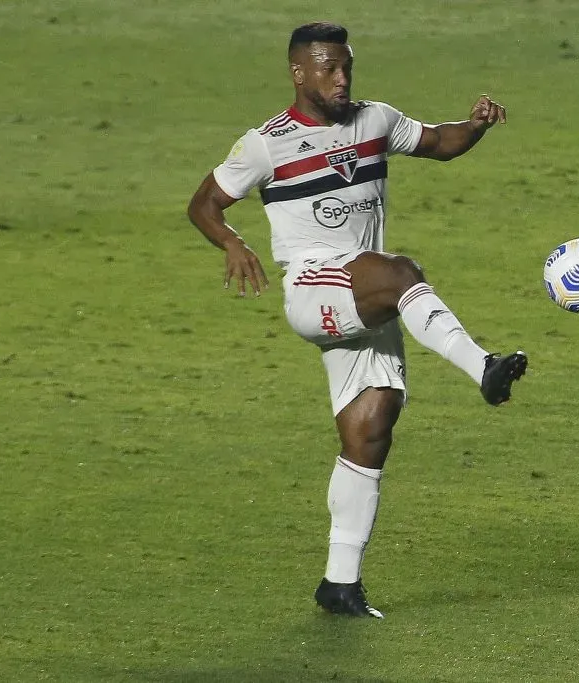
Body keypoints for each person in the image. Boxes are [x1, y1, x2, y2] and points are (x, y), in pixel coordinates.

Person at [186, 22, 527, 619]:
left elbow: (438, 143)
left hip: (362, 294)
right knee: (401, 273)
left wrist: (473, 126)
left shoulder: (374, 120)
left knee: (372, 429)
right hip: (315, 287)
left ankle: (339, 584)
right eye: (328, 69)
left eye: (347, 67)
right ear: (298, 73)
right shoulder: (267, 144)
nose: (342, 79)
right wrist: (233, 243)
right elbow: (204, 204)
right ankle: (484, 368)